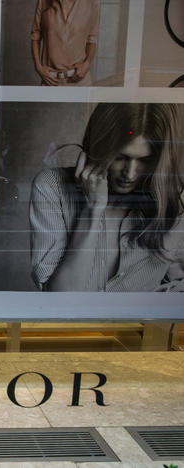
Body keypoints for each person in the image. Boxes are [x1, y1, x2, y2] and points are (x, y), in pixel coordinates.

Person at [30, 103, 184, 292]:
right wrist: (92, 210)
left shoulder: (174, 202)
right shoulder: (52, 186)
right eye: (120, 157)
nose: (130, 173)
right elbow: (61, 299)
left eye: (145, 160)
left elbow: (177, 285)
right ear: (98, 148)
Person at [31, 0, 100, 86]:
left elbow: (92, 38)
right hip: (51, 81)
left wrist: (87, 64)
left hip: (80, 81)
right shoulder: (43, 1)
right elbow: (35, 35)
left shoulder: (92, 2)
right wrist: (38, 67)